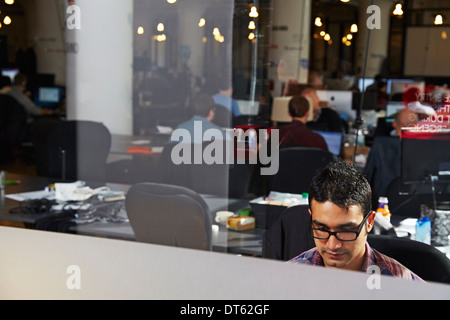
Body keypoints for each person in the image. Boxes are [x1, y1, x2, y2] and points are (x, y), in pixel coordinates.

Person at [288, 158, 424, 281]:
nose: (332, 245)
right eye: (322, 229)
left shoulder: (400, 284)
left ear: (369, 222)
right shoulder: (290, 277)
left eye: (346, 231)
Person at [364, 109, 418, 203]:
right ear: (416, 126)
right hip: (414, 202)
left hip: (383, 204)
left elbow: (367, 177)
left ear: (394, 123)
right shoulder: (423, 147)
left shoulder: (380, 144)